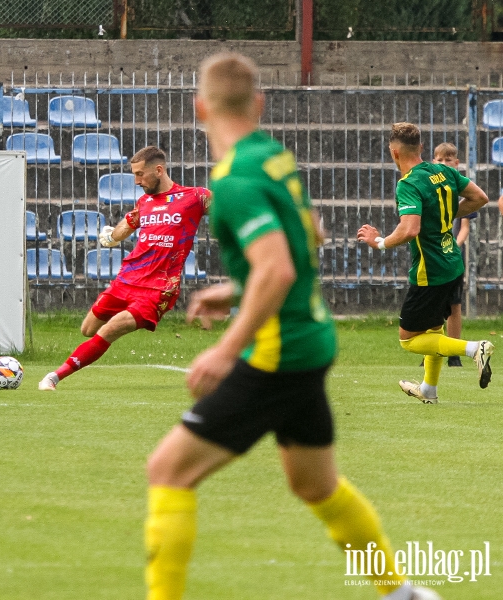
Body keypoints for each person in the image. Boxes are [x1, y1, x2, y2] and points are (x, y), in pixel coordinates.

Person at [143, 52, 440, 600]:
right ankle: (403, 594)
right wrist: (235, 287)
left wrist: (226, 348)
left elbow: (278, 267)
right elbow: (311, 240)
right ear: (258, 104)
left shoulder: (232, 182)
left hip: (279, 352)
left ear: (199, 108)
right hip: (313, 339)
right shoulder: (275, 157)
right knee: (315, 484)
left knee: (168, 470)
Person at [38, 146, 210, 390]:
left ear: (159, 170)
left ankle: (54, 377)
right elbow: (127, 225)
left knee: (112, 328)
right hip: (127, 279)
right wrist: (111, 237)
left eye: (140, 174)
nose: (137, 181)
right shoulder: (144, 202)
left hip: (158, 288)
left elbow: (230, 208)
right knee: (88, 329)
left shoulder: (195, 197)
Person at [357, 123, 492, 403]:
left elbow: (409, 230)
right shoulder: (444, 171)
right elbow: (480, 198)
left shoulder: (408, 183)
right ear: (421, 148)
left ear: (394, 153)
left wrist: (379, 242)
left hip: (430, 270)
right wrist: (442, 214)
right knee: (433, 329)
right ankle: (429, 390)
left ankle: (474, 348)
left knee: (408, 338)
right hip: (452, 262)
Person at [418, 142, 477, 368]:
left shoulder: (462, 189)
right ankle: (431, 353)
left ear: (456, 163)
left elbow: (464, 229)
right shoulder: (429, 188)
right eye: (439, 160)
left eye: (448, 160)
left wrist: (452, 245)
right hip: (432, 256)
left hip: (451, 256)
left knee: (454, 305)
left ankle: (454, 353)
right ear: (433, 161)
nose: (443, 163)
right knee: (430, 305)